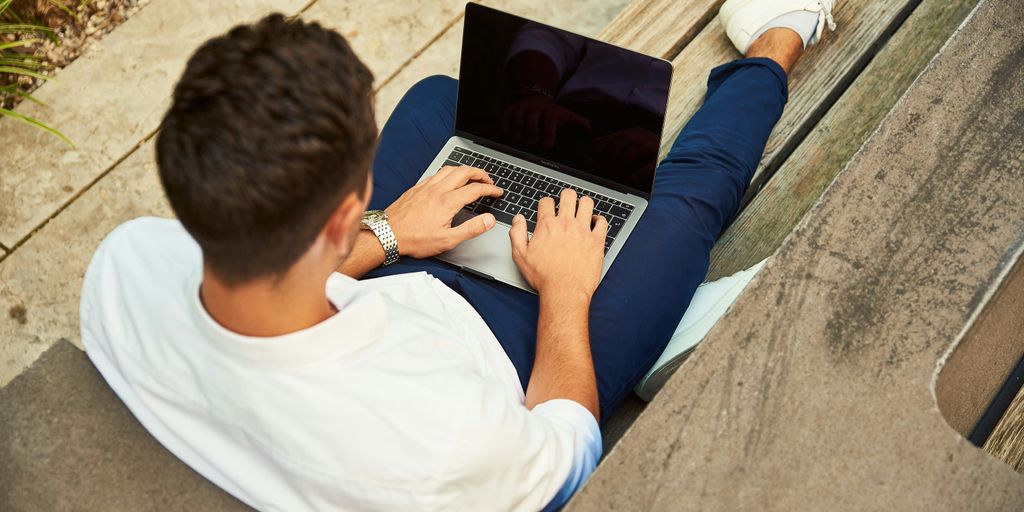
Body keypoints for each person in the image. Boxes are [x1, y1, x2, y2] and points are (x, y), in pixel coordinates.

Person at [80, 0, 836, 510]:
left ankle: (652, 292)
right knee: (687, 197)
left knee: (444, 101)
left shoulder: (125, 267)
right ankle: (777, 40)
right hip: (517, 351)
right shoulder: (443, 446)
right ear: (340, 208)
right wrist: (569, 290)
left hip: (384, 281)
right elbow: (567, 455)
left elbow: (259, 302)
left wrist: (384, 234)